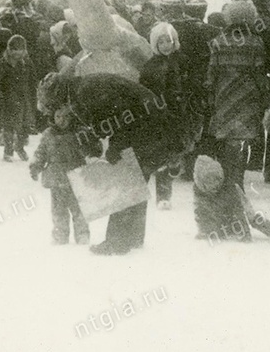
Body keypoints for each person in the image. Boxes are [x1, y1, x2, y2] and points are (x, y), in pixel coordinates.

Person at [41, 72, 185, 255]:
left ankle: (117, 242)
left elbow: (120, 115)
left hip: (147, 126)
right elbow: (107, 119)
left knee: (124, 178)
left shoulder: (84, 91)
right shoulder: (82, 87)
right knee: (136, 178)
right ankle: (133, 237)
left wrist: (115, 148)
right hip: (153, 124)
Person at [205, 0, 269, 191]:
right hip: (248, 97)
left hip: (224, 96)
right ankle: (237, 180)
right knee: (243, 139)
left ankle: (226, 178)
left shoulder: (218, 42)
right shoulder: (256, 42)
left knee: (226, 139)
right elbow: (259, 72)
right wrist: (264, 94)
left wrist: (211, 93)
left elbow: (212, 71)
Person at [138, 22, 192, 210]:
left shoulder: (183, 61)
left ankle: (175, 165)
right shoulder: (150, 66)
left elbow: (191, 84)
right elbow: (144, 90)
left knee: (176, 149)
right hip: (158, 116)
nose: (166, 45)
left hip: (180, 113)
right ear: (155, 44)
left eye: (168, 41)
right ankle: (163, 195)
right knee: (161, 153)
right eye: (161, 42)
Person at [192, 155, 270, 243]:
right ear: (201, 183)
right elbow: (200, 212)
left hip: (238, 199)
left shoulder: (229, 188)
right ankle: (227, 230)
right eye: (210, 184)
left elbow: (238, 212)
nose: (215, 186)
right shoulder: (199, 191)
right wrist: (204, 230)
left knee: (251, 218)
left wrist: (244, 234)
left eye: (217, 182)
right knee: (214, 214)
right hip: (219, 203)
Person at [29, 118, 91, 245]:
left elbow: (93, 149)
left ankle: (82, 236)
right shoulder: (48, 134)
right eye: (58, 117)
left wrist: (89, 147)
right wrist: (35, 167)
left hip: (76, 178)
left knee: (79, 210)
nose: (62, 120)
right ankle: (59, 237)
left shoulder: (79, 132)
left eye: (65, 117)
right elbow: (41, 152)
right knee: (58, 211)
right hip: (56, 179)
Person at [0, 34, 33, 162]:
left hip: (23, 97)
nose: (17, 52)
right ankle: (8, 150)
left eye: (20, 49)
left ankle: (20, 147)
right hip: (8, 99)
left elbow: (32, 79)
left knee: (24, 125)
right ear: (9, 49)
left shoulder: (26, 63)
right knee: (8, 126)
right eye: (14, 49)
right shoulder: (3, 63)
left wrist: (32, 93)